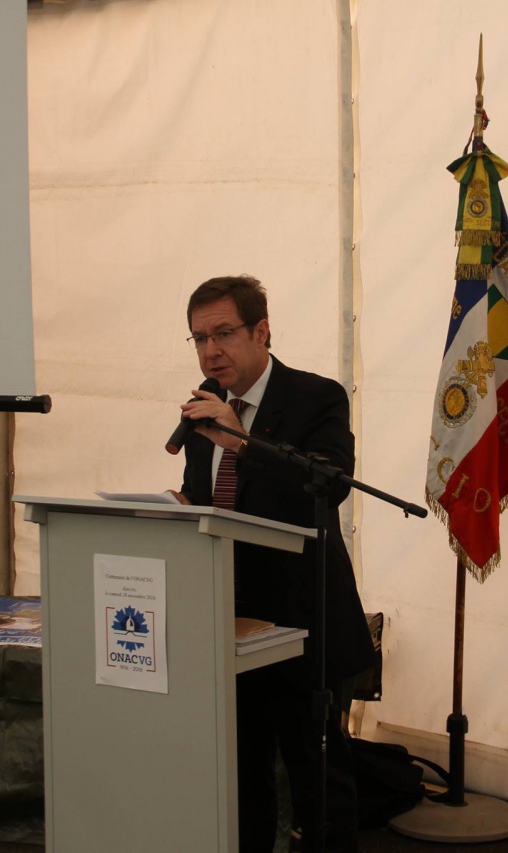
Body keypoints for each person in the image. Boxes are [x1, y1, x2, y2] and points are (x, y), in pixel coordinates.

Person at [173, 274, 374, 852]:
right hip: (228, 620)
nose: (211, 351)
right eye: (199, 338)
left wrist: (241, 442)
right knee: (242, 777)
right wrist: (177, 508)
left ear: (261, 331)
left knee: (318, 781)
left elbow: (328, 485)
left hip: (302, 621)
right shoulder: (203, 410)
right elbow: (208, 500)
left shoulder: (316, 397)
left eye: (223, 334)